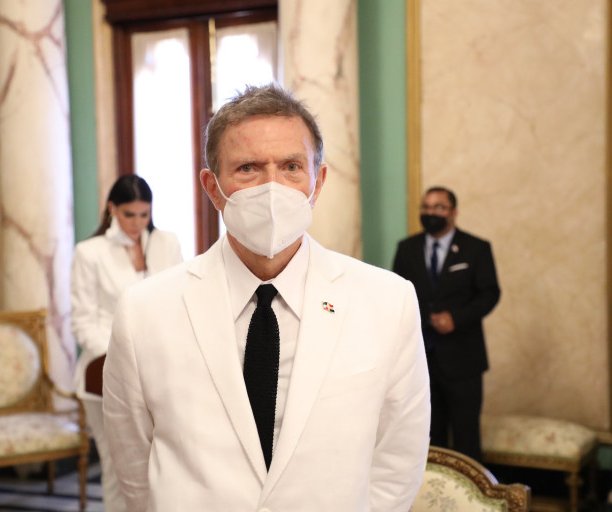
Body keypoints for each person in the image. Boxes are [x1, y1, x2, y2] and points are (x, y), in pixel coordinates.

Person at [102, 83, 431, 511]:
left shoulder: (387, 301)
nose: (272, 188)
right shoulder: (144, 311)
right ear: (213, 187)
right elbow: (133, 463)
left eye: (292, 166)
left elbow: (398, 457)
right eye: (248, 168)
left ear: (317, 181)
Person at [71, 175, 182, 512]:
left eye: (144, 214)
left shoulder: (167, 243)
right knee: (118, 468)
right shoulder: (89, 253)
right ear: (112, 209)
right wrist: (122, 358)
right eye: (129, 214)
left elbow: (179, 302)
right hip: (104, 372)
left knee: (165, 466)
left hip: (161, 371)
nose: (137, 223)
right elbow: (83, 322)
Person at [392, 186, 500, 462]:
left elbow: (490, 294)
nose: (431, 213)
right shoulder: (407, 248)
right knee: (429, 437)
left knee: (466, 438)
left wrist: (456, 318)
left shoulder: (476, 248)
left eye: (439, 207)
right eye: (426, 207)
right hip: (421, 359)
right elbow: (398, 294)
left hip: (463, 359)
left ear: (453, 212)